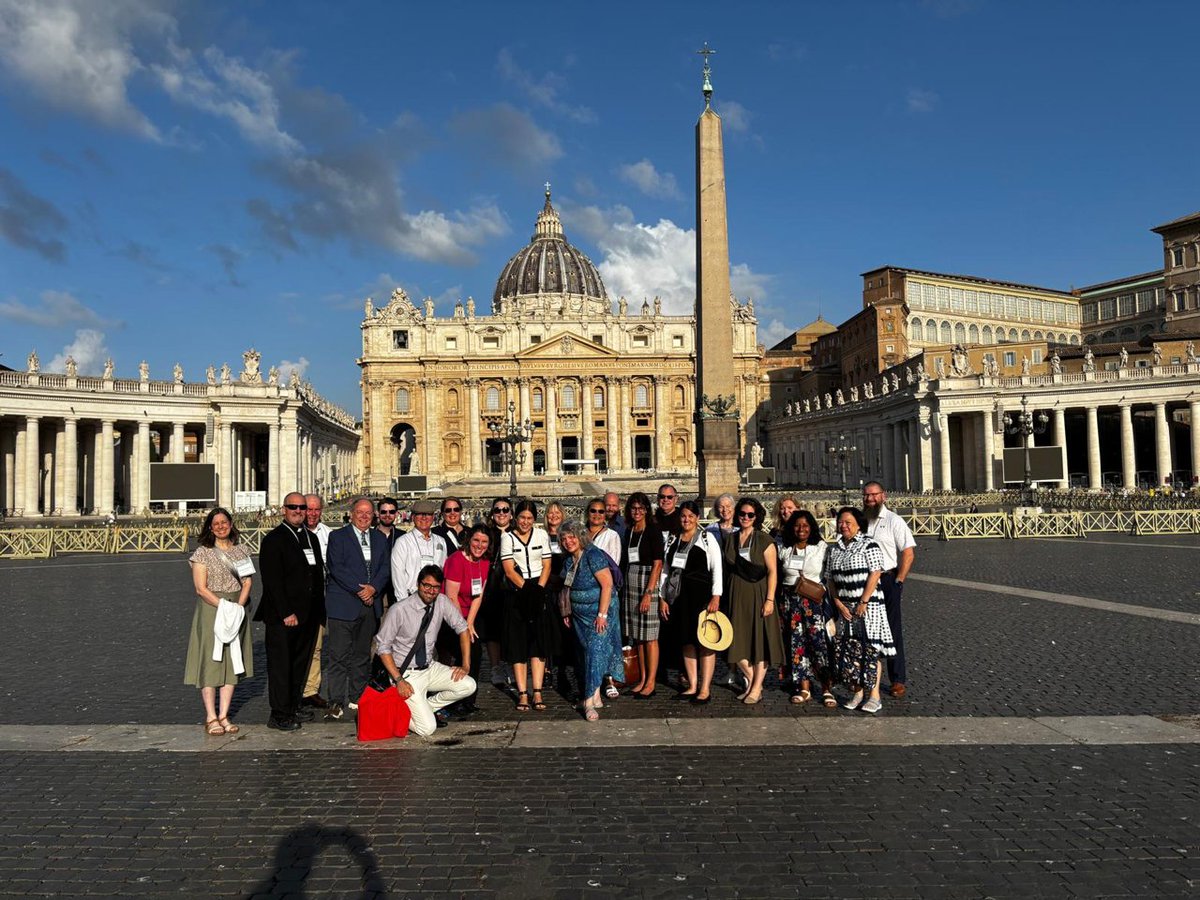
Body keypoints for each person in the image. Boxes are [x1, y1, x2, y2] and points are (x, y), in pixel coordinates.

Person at [374, 564, 475, 736]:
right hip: (406, 673)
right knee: (427, 729)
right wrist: (399, 680)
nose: (431, 591)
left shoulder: (441, 601)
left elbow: (463, 628)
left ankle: (424, 708)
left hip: (430, 667)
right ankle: (396, 713)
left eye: (435, 587)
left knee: (468, 685)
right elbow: (382, 647)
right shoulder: (399, 609)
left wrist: (465, 664)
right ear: (418, 584)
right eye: (426, 585)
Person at [256, 492, 326, 731]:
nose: (298, 511)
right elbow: (272, 581)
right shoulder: (274, 539)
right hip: (283, 616)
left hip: (308, 615)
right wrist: (286, 612)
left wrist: (319, 612)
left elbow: (317, 576)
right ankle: (279, 713)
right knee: (281, 665)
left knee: (299, 663)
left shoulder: (310, 538)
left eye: (302, 507)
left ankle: (293, 705)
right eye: (293, 507)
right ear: (284, 509)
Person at [184, 507, 254, 735]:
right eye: (216, 523)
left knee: (233, 660)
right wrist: (224, 606)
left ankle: (224, 715)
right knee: (211, 660)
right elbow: (200, 588)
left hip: (236, 607)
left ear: (231, 524)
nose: (221, 526)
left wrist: (238, 607)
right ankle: (210, 716)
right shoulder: (202, 553)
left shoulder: (242, 551)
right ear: (210, 527)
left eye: (225, 522)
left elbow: (247, 583)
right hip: (211, 609)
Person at [322, 498, 391, 720]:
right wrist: (361, 590)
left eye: (368, 513)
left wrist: (374, 588)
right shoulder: (337, 536)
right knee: (338, 656)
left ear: (374, 516)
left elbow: (385, 568)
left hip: (370, 606)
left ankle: (357, 696)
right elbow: (336, 567)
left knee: (362, 655)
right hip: (344, 604)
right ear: (351, 514)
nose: (364, 516)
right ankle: (335, 700)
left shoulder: (380, 538)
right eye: (360, 512)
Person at [824, 506, 895, 714]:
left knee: (870, 649)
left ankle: (875, 695)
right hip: (845, 607)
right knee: (851, 651)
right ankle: (858, 692)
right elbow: (830, 579)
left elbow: (875, 574)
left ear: (858, 524)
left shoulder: (869, 545)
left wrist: (863, 602)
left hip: (868, 605)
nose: (843, 526)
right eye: (841, 522)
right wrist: (838, 603)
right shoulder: (834, 548)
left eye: (848, 522)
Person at [500, 499, 559, 711]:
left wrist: (539, 590)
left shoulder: (542, 535)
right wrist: (527, 590)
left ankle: (537, 691)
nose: (525, 522)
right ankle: (522, 693)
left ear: (535, 519)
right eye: (522, 517)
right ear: (516, 518)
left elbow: (547, 565)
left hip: (538, 588)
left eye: (530, 518)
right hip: (518, 590)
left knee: (538, 644)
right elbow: (508, 570)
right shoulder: (506, 537)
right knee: (519, 644)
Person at [722, 496, 782, 704]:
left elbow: (773, 572)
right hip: (736, 594)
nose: (745, 517)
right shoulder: (730, 538)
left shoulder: (764, 540)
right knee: (733, 641)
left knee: (759, 642)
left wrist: (770, 600)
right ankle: (753, 679)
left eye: (750, 515)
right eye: (742, 514)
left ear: (757, 517)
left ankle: (755, 688)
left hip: (758, 593)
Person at [558, 521, 619, 721]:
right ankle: (596, 695)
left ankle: (588, 702)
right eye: (564, 538)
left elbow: (607, 585)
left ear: (580, 536)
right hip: (578, 617)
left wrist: (602, 614)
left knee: (594, 653)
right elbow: (566, 588)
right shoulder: (569, 561)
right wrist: (566, 612)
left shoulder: (593, 555)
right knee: (585, 654)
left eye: (572, 537)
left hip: (599, 615)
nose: (568, 541)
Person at [664, 500, 723, 704]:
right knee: (687, 641)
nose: (686, 519)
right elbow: (666, 570)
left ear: (697, 518)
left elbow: (717, 568)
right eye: (683, 516)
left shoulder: (707, 538)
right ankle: (692, 684)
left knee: (705, 642)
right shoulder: (673, 539)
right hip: (679, 596)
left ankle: (705, 688)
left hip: (701, 596)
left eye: (690, 516)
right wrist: (663, 596)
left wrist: (716, 596)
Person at [862, 481, 916, 697]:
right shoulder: (860, 521)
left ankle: (897, 679)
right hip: (863, 581)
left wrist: (899, 580)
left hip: (887, 580)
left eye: (873, 495)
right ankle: (865, 676)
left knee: (892, 629)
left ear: (883, 496)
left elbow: (908, 552)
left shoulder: (894, 520)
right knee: (864, 630)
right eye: (866, 496)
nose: (869, 499)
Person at [777, 509, 833, 706]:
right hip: (790, 602)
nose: (801, 529)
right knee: (796, 645)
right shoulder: (783, 547)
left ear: (812, 528)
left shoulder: (821, 547)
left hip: (813, 602)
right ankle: (804, 688)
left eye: (806, 526)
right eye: (797, 525)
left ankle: (827, 688)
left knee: (819, 645)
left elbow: (829, 575)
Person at [619, 491, 665, 698]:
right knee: (638, 636)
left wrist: (649, 593)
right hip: (631, 581)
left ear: (647, 510)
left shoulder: (653, 530)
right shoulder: (629, 531)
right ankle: (643, 679)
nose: (637, 512)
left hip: (647, 582)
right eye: (633, 508)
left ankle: (651, 682)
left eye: (641, 508)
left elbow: (658, 563)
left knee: (651, 637)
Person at [442, 524, 491, 715]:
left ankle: (468, 700)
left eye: (484, 542)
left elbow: (478, 595)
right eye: (476, 540)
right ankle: (454, 699)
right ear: (469, 540)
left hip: (468, 615)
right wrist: (462, 626)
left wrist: (470, 623)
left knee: (476, 652)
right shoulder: (456, 560)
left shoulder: (484, 562)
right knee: (465, 652)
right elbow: (451, 595)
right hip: (450, 615)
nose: (479, 545)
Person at [585, 496, 624, 700]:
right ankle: (593, 682)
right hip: (585, 596)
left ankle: (608, 679)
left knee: (607, 638)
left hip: (605, 594)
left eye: (601, 512)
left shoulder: (612, 535)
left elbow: (613, 565)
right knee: (590, 641)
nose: (598, 515)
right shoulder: (580, 534)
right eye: (593, 511)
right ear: (588, 513)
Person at [300, 494, 332, 710]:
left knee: (317, 647)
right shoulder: (292, 533)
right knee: (296, 647)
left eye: (316, 510)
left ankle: (310, 690)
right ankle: (294, 689)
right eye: (308, 509)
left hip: (321, 597)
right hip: (298, 599)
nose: (312, 514)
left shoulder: (329, 534)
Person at [481, 498, 513, 687]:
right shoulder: (487, 534)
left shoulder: (517, 532)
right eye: (498, 510)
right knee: (492, 631)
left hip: (511, 586)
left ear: (511, 513)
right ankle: (495, 667)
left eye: (505, 509)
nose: (501, 513)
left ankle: (510, 664)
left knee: (510, 629)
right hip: (491, 586)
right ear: (492, 513)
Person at [390, 498, 448, 599]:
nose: (424, 518)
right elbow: (398, 576)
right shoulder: (403, 542)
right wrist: (403, 603)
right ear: (413, 517)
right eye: (420, 514)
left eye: (428, 514)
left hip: (435, 597)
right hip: (411, 597)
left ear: (433, 517)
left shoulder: (441, 541)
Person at [374, 497, 401, 609]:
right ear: (377, 513)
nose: (387, 515)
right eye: (384, 512)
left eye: (391, 512)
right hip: (375, 586)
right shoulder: (370, 535)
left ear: (397, 514)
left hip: (396, 585)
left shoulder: (403, 536)